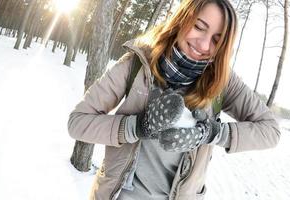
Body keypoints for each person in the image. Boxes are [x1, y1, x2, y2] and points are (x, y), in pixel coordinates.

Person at [68, 0, 281, 199]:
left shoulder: (223, 81)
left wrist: (210, 133)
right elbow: (78, 123)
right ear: (182, 19)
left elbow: (270, 131)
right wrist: (137, 126)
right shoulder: (137, 64)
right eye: (199, 27)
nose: (204, 45)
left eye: (217, 39)